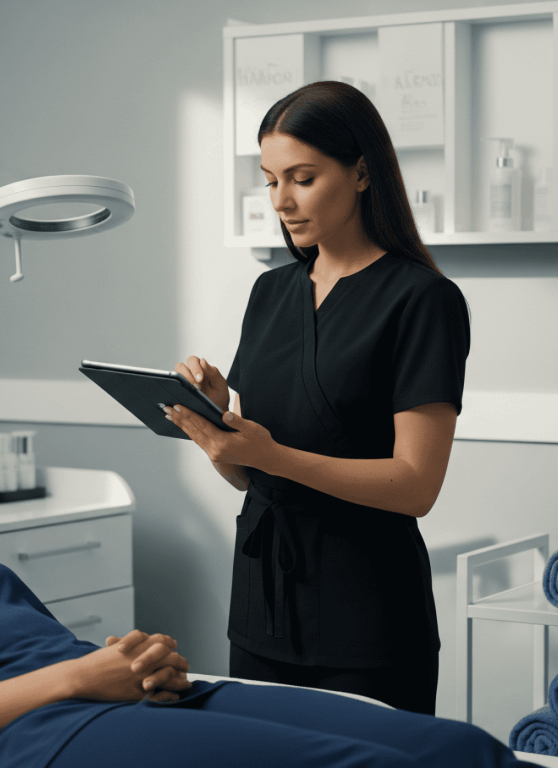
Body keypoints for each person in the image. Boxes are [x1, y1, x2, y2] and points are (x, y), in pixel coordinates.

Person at [169, 80, 470, 715]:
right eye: (270, 179)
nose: (281, 200)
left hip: (368, 614)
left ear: (361, 173)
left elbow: (416, 486)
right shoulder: (269, 293)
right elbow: (251, 476)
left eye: (302, 178)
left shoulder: (422, 300)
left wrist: (272, 456)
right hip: (262, 605)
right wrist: (214, 425)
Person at [0, 492, 538, 768]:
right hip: (46, 734)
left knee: (459, 749)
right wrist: (76, 678)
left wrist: (134, 660)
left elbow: (40, 644)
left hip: (135, 693)